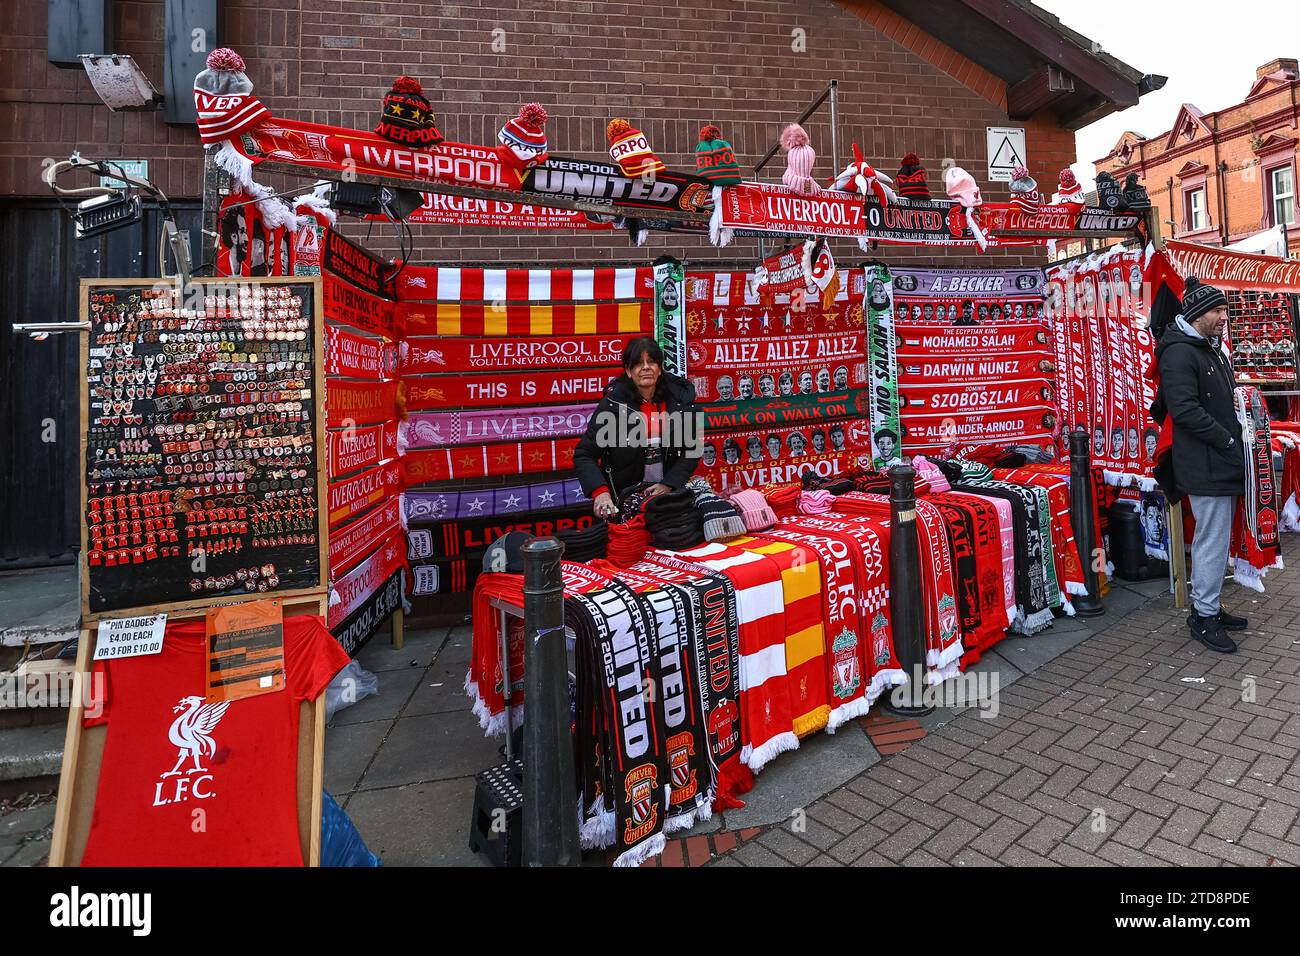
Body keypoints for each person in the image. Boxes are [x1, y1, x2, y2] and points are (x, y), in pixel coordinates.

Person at [1153, 276, 1246, 654]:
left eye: (1225, 309)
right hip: (1206, 461)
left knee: (1217, 538)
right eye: (1218, 310)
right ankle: (1203, 616)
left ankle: (1209, 606)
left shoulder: (1206, 347)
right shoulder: (1179, 352)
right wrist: (1227, 439)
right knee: (1210, 540)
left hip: (1217, 460)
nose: (1225, 316)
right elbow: (1185, 410)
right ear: (1197, 313)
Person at [574, 337, 701, 520]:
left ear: (659, 369)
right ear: (628, 371)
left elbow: (692, 450)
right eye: (638, 364)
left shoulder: (680, 402)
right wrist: (600, 492)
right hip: (624, 501)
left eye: (652, 362)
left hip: (670, 500)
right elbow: (585, 455)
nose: (646, 368)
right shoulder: (612, 407)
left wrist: (669, 484)